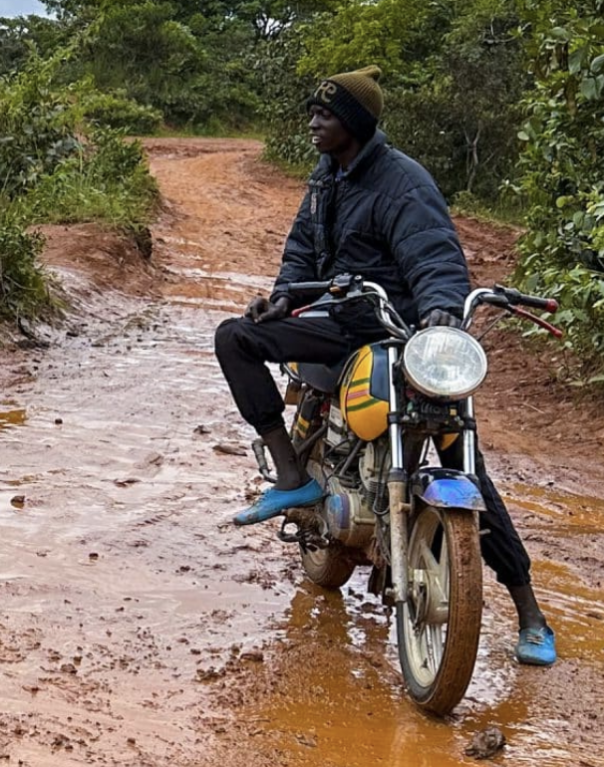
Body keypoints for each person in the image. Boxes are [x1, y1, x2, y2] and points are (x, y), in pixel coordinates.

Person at [213, 65, 557, 666]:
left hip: (403, 335)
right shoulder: (326, 177)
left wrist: (443, 314)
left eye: (325, 113)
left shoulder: (403, 182)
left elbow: (434, 257)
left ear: (355, 122)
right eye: (314, 112)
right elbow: (301, 250)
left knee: (465, 461)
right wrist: (284, 296)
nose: (314, 122)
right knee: (235, 337)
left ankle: (529, 611)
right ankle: (294, 477)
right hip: (343, 325)